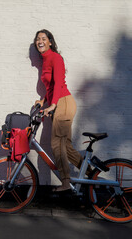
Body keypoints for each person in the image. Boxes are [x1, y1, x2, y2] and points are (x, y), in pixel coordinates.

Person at [34, 29, 86, 192]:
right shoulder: (45, 61)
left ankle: (65, 181)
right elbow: (50, 87)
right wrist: (44, 101)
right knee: (66, 147)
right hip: (58, 103)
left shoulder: (55, 58)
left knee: (56, 143)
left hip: (63, 102)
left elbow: (58, 84)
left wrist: (53, 104)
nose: (40, 41)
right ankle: (93, 173)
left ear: (50, 42)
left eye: (43, 38)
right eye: (37, 39)